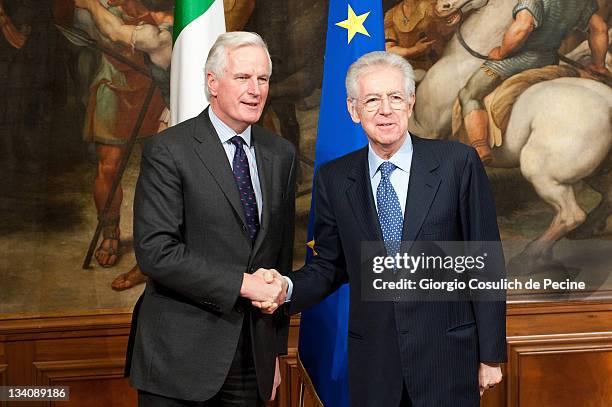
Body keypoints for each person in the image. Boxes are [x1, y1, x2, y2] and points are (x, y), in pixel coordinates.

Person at [261, 51, 507, 406]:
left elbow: (484, 263)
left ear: (410, 102)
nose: (385, 110)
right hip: (375, 366)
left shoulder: (457, 164)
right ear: (353, 110)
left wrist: (490, 355)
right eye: (372, 100)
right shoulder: (334, 179)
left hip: (448, 360)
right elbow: (329, 266)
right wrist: (284, 288)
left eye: (394, 97)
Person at [128, 31, 296, 406]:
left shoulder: (280, 154)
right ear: (212, 83)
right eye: (242, 78)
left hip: (253, 357)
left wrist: (275, 353)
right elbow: (156, 252)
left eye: (263, 79)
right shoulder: (168, 150)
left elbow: (277, 257)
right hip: (178, 360)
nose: (255, 89)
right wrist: (243, 284)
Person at [458, 0, 609, 164]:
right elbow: (599, 28)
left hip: (516, 61)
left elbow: (524, 27)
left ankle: (480, 147)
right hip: (548, 61)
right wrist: (599, 65)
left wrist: (501, 52)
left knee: (468, 94)